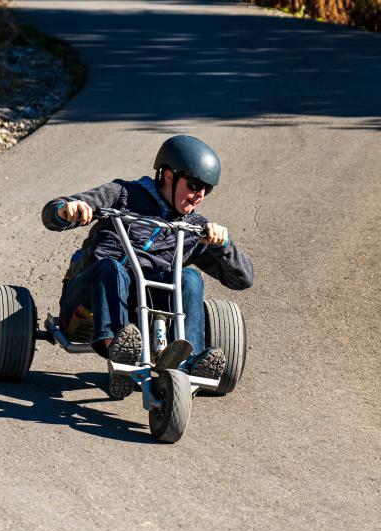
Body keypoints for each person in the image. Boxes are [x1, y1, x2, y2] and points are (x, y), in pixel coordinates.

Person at [41, 135, 254, 399]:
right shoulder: (123, 194)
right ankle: (116, 348)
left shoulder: (194, 229)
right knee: (111, 268)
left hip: (144, 313)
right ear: (169, 176)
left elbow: (243, 278)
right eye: (194, 185)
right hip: (90, 296)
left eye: (206, 190)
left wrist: (224, 244)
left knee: (189, 277)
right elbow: (52, 214)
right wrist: (67, 210)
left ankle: (190, 360)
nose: (199, 195)